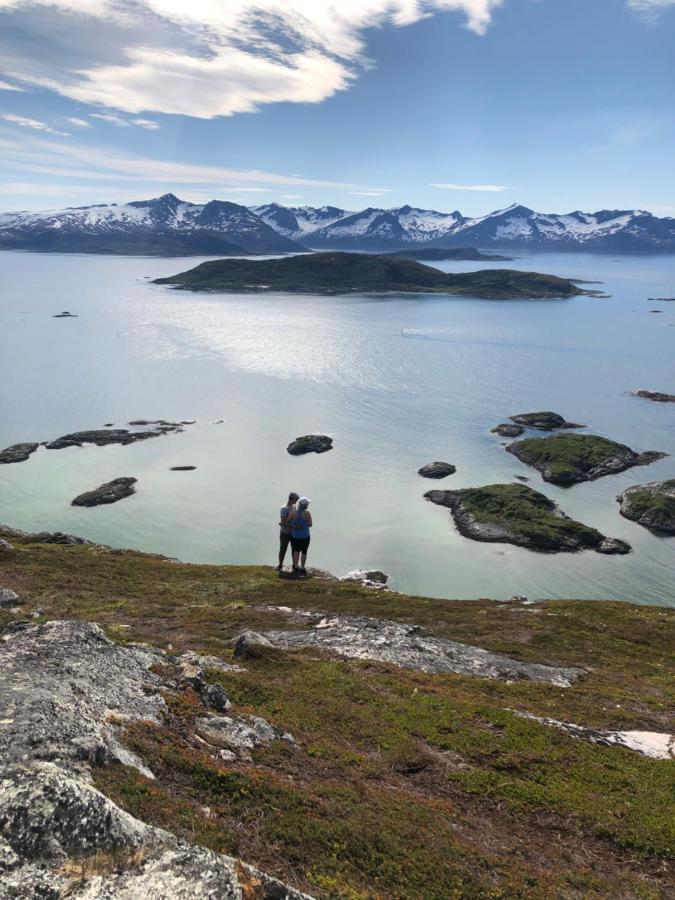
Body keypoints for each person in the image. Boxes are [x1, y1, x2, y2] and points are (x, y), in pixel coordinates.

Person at [288, 496, 312, 577]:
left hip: (295, 536)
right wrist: (305, 523)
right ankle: (302, 568)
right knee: (304, 552)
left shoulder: (293, 512)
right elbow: (310, 524)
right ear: (306, 505)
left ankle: (295, 567)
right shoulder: (307, 513)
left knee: (296, 551)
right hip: (305, 536)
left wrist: (295, 524)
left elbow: (288, 522)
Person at [277, 491, 299, 570]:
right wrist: (294, 526)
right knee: (283, 549)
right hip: (285, 533)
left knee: (294, 550)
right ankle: (280, 565)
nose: (296, 501)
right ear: (292, 499)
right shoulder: (284, 508)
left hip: (293, 533)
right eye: (296, 499)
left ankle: (294, 565)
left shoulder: (294, 507)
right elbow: (283, 523)